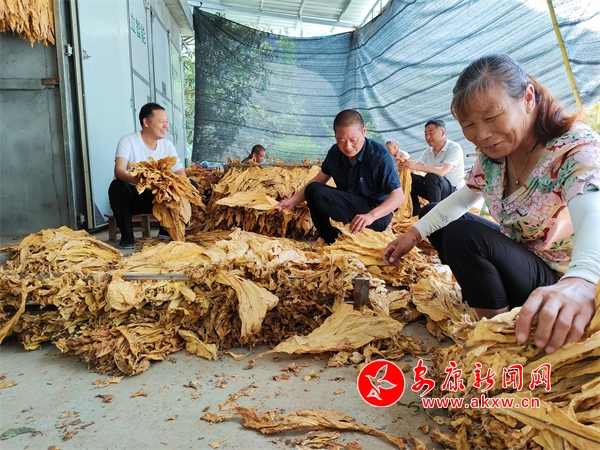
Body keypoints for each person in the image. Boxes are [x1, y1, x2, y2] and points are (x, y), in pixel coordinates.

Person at [382, 54, 600, 355]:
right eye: (469, 125)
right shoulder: (494, 157)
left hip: (562, 285)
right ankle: (491, 302)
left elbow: (593, 214)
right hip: (524, 259)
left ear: (527, 98)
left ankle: (497, 338)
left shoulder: (574, 146)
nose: (482, 135)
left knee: (464, 236)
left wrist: (582, 279)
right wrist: (413, 234)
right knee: (435, 214)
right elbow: (462, 199)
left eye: (492, 117)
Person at [277, 110, 405, 244]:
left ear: (364, 131)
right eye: (341, 140)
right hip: (350, 203)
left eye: (353, 140)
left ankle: (347, 238)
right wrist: (292, 201)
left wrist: (371, 216)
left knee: (322, 195)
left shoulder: (380, 156)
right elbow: (318, 180)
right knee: (313, 189)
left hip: (376, 214)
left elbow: (398, 196)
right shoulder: (335, 152)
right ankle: (331, 239)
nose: (348, 146)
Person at [108, 102, 188, 249]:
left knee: (189, 185)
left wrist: (172, 184)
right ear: (146, 122)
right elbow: (119, 170)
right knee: (117, 186)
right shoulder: (128, 141)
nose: (166, 126)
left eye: (167, 122)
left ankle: (167, 230)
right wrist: (141, 181)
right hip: (135, 197)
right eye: (161, 121)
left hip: (159, 198)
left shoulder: (167, 145)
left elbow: (180, 173)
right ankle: (127, 237)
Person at [400, 119, 465, 216]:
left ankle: (436, 214)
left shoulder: (454, 148)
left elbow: (442, 171)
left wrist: (416, 166)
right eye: (425, 134)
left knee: (432, 177)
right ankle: (415, 212)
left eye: (431, 133)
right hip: (434, 190)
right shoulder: (429, 150)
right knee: (411, 178)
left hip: (452, 192)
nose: (428, 137)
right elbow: (416, 167)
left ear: (442, 133)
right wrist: (405, 167)